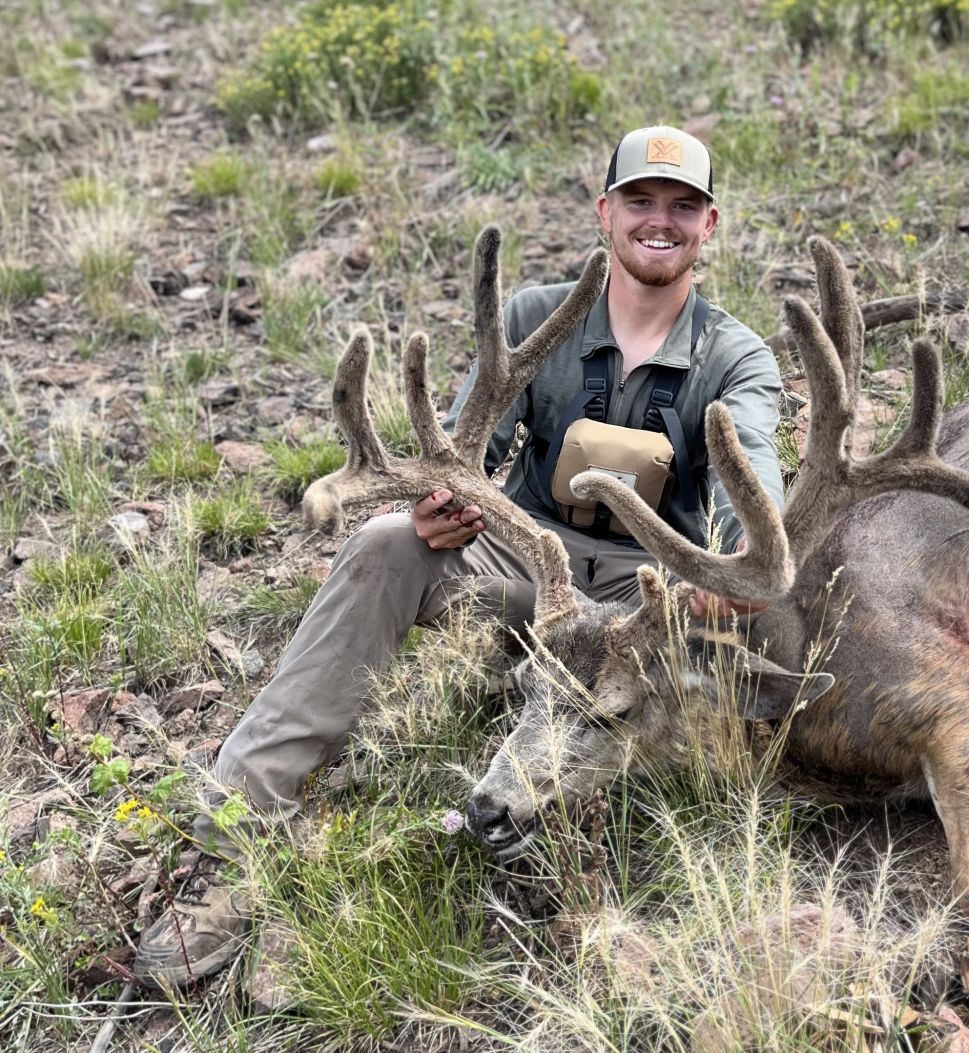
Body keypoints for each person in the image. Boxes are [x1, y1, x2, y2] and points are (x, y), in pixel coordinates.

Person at [134, 125, 786, 987]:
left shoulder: (736, 355)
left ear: (710, 227)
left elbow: (758, 465)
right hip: (526, 571)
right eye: (640, 202)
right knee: (384, 544)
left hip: (647, 601)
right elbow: (463, 449)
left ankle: (654, 811)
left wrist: (739, 554)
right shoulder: (532, 321)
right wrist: (440, 508)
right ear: (606, 212)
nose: (658, 221)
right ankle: (234, 836)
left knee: (779, 625)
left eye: (681, 207)